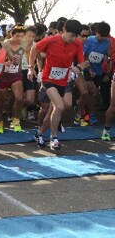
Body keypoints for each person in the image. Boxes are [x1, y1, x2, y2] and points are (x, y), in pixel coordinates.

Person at [28, 20, 86, 150]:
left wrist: (78, 68)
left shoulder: (77, 43)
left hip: (64, 80)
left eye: (76, 36)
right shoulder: (51, 40)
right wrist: (31, 68)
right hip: (48, 78)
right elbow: (34, 48)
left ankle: (39, 133)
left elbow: (81, 62)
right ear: (63, 31)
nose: (73, 39)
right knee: (59, 106)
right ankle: (54, 138)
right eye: (71, 35)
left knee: (64, 106)